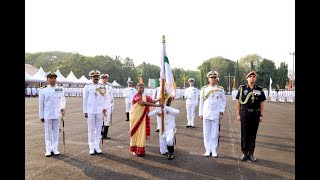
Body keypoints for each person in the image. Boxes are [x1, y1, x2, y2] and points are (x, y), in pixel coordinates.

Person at [236, 71, 266, 162]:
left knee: (253, 134)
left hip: (255, 114)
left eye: (253, 76)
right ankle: (244, 153)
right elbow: (238, 102)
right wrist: (238, 114)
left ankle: (251, 153)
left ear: (255, 79)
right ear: (247, 78)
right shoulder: (242, 89)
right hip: (245, 114)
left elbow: (262, 103)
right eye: (250, 77)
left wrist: (261, 114)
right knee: (244, 134)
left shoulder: (259, 89)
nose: (252, 78)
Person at [129, 82, 163, 157]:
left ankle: (140, 149)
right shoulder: (136, 96)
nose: (142, 89)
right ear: (137, 88)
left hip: (142, 117)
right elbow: (142, 103)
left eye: (143, 88)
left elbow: (152, 100)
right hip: (135, 117)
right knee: (135, 132)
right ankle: (134, 149)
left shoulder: (145, 96)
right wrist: (156, 105)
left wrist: (159, 98)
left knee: (141, 133)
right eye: (140, 88)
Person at [199, 70, 226, 157]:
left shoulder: (220, 89)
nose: (213, 79)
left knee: (214, 133)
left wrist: (222, 110)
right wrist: (201, 113)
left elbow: (223, 100)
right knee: (206, 132)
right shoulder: (204, 89)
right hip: (206, 112)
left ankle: (214, 149)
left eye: (214, 77)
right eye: (211, 77)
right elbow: (201, 101)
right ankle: (207, 149)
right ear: (208, 79)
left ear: (216, 79)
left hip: (216, 113)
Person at [39, 72, 66, 157]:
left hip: (57, 114)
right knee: (48, 132)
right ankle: (48, 149)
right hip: (47, 114)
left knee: (56, 132)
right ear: (47, 80)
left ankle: (55, 148)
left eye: (54, 78)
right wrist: (41, 116)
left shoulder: (60, 89)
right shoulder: (43, 90)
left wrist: (62, 107)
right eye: (51, 78)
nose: (53, 79)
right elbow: (41, 104)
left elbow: (63, 99)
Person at [83, 70, 107, 155]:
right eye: (94, 77)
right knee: (91, 129)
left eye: (97, 76)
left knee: (98, 129)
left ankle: (97, 146)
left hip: (99, 111)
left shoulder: (102, 86)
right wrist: (85, 111)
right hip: (90, 111)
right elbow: (85, 99)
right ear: (91, 78)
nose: (96, 78)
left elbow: (105, 98)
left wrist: (104, 108)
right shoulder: (87, 87)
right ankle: (91, 147)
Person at [100, 73, 114, 139]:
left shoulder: (110, 88)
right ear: (101, 79)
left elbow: (112, 98)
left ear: (107, 79)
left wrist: (112, 107)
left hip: (108, 106)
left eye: (105, 78)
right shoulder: (99, 87)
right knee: (101, 120)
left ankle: (105, 134)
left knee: (107, 121)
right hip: (101, 107)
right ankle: (101, 134)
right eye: (103, 78)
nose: (104, 79)